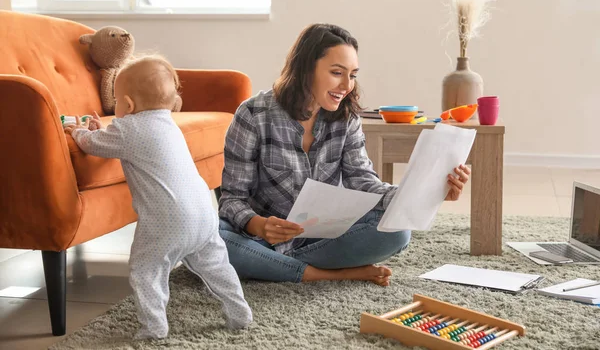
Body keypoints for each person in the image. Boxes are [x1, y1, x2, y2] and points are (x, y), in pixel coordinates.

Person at [218, 23, 471, 286]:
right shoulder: (253, 114)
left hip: (320, 240)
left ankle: (276, 266)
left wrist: (430, 193)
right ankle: (323, 274)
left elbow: (363, 182)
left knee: (397, 232)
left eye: (352, 75)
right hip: (259, 238)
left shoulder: (346, 118)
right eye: (337, 72)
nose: (346, 85)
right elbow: (231, 200)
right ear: (305, 69)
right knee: (212, 237)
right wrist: (259, 226)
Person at [64, 55, 252, 339]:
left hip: (167, 222)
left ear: (127, 105)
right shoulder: (169, 125)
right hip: (203, 214)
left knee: (146, 270)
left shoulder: (128, 127)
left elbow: (94, 145)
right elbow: (119, 142)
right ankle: (240, 313)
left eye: (116, 101)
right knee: (216, 266)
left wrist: (78, 132)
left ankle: (154, 327)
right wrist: (100, 130)